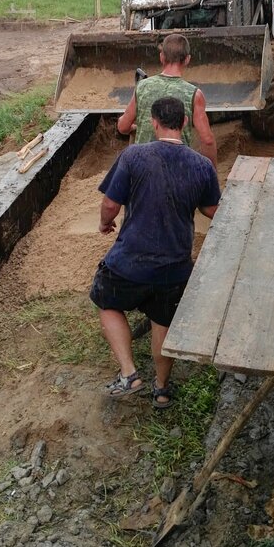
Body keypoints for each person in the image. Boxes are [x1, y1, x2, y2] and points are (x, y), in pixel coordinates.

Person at [91, 96, 221, 408]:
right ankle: (161, 389)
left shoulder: (133, 156)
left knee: (106, 302)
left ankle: (129, 373)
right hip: (174, 267)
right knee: (163, 321)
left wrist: (104, 223)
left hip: (128, 263)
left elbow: (111, 203)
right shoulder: (201, 166)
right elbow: (212, 209)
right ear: (185, 123)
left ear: (153, 122)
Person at [116, 33, 218, 169]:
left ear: (161, 57)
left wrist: (133, 127)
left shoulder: (143, 86)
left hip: (142, 171)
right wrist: (212, 174)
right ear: (187, 59)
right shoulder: (194, 94)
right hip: (177, 171)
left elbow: (122, 127)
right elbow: (207, 140)